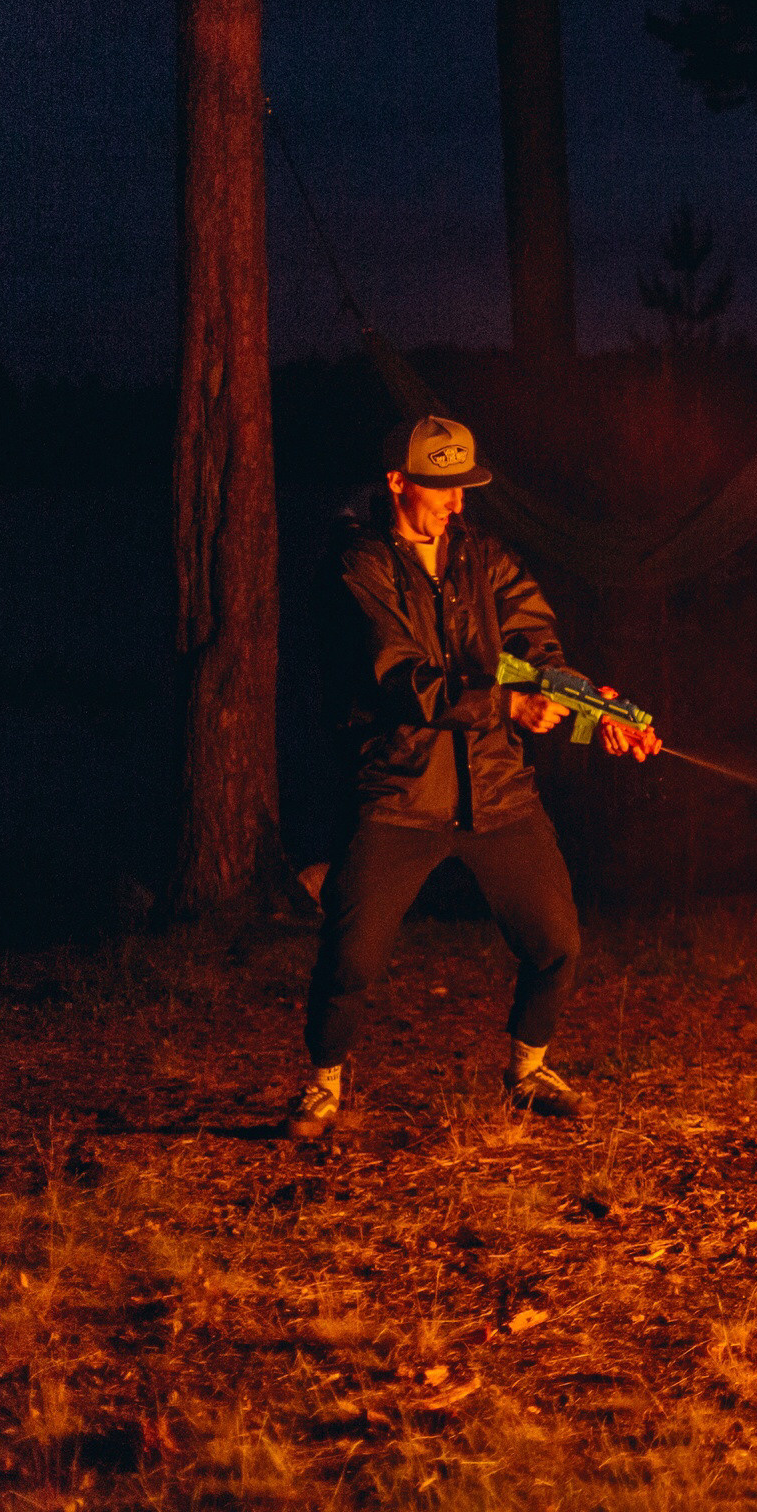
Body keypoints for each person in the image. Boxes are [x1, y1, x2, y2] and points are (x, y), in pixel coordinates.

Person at [287, 416, 659, 1140]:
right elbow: (399, 676)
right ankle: (324, 1082)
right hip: (402, 788)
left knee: (557, 941)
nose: (458, 503)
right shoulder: (358, 566)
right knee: (351, 956)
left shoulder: (484, 557)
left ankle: (528, 1072)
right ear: (398, 481)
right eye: (443, 488)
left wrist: (595, 710)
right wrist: (508, 704)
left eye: (465, 488)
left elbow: (535, 647)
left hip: (496, 787)